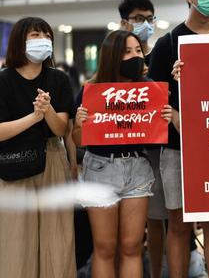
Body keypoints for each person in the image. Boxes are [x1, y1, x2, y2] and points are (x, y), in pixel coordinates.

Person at [148, 0, 209, 278]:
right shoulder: (168, 44)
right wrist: (176, 92)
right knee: (178, 224)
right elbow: (155, 99)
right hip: (177, 148)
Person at [72, 30, 173, 278]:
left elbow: (158, 134)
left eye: (138, 51)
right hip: (100, 168)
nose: (135, 56)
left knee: (131, 247)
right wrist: (79, 124)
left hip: (138, 169)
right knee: (105, 248)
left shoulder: (148, 89)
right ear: (112, 56)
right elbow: (77, 139)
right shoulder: (92, 90)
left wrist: (167, 117)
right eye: (127, 52)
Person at [0, 17, 76, 278]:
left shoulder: (59, 79)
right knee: (16, 241)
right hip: (13, 164)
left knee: (58, 239)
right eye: (35, 35)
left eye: (46, 35)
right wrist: (33, 117)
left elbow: (61, 129)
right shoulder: (4, 80)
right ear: (20, 41)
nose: (42, 39)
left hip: (52, 158)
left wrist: (48, 111)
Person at [118, 0, 167, 278]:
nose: (145, 24)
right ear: (125, 22)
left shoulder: (159, 52)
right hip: (123, 151)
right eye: (139, 19)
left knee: (157, 217)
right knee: (125, 231)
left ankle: (157, 271)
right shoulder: (114, 54)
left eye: (150, 19)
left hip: (156, 148)